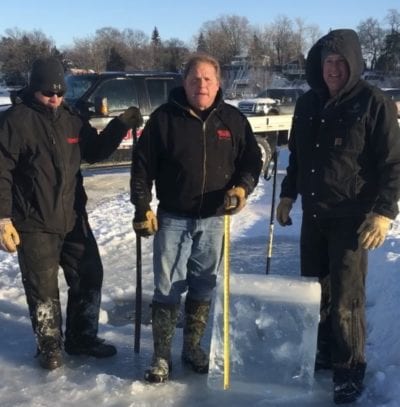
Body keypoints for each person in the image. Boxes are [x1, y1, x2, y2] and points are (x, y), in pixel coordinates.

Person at [276, 29, 400, 404]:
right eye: (327, 62)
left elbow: (393, 164)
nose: (332, 69)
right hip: (314, 214)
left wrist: (383, 212)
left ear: (353, 64)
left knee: (347, 298)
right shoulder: (308, 104)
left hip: (352, 219)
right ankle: (323, 351)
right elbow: (297, 156)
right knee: (315, 292)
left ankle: (349, 369)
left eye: (340, 63)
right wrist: (286, 194)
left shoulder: (372, 102)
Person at [0, 56, 143, 370]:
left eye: (60, 93)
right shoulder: (15, 121)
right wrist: (3, 219)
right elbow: (2, 171)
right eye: (48, 93)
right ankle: (50, 348)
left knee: (89, 275)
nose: (55, 98)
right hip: (33, 221)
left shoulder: (71, 117)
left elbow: (93, 152)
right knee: (43, 288)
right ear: (34, 88)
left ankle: (82, 338)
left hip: (74, 216)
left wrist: (120, 126)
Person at [130, 53, 262, 383]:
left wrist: (243, 189)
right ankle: (161, 357)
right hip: (173, 218)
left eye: (207, 79)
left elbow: (251, 161)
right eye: (194, 79)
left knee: (204, 284)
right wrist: (142, 206)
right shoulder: (163, 119)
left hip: (216, 218)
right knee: (167, 287)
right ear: (184, 83)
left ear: (218, 83)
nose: (201, 85)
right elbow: (142, 167)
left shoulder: (232, 120)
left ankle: (192, 348)